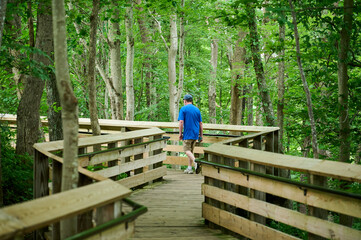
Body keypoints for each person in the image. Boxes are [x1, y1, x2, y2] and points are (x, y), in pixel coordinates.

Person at [178, 94, 203, 174]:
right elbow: (201, 123)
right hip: (195, 133)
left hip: (188, 133)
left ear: (185, 101)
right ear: (191, 101)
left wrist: (180, 133)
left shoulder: (183, 109)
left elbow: (181, 122)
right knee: (190, 151)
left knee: (186, 150)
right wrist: (201, 135)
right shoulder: (197, 109)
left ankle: (196, 162)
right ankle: (189, 168)